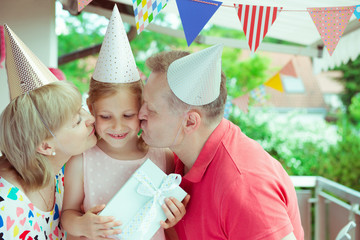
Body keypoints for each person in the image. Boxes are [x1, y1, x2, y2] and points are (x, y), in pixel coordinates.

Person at [138, 44, 304, 240]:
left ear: (190, 122)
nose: (140, 114)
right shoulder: (176, 158)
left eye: (152, 109)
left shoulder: (244, 185)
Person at [61, 6, 188, 240]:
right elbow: (67, 213)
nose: (117, 127)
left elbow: (167, 225)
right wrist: (82, 225)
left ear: (141, 110)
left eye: (128, 116)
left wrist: (173, 217)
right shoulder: (82, 159)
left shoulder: (163, 155)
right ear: (92, 110)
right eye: (106, 116)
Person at [0, 25, 97, 239]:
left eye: (82, 109)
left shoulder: (63, 172)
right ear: (45, 145)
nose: (91, 118)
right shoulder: (5, 205)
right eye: (77, 120)